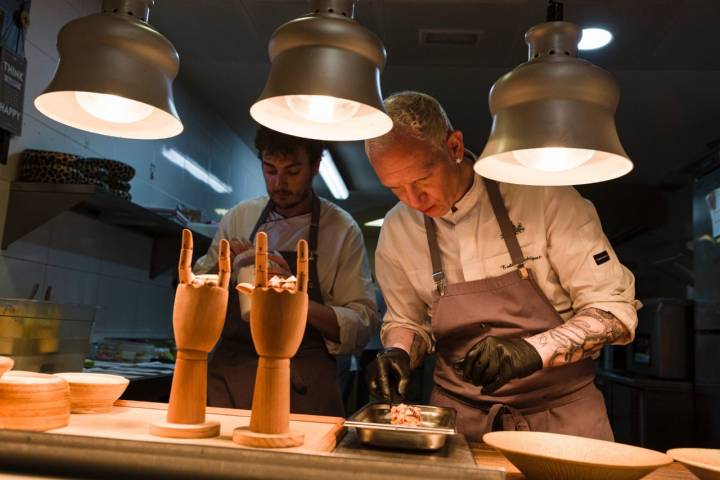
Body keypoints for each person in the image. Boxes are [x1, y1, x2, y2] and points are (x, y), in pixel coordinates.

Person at [364, 91, 640, 441]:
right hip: (461, 423)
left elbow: (614, 312)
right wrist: (398, 352)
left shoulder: (543, 197)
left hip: (564, 420)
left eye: (422, 180)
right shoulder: (398, 228)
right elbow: (407, 319)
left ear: (454, 146)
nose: (413, 201)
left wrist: (530, 351)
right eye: (395, 189)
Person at [194, 126, 378, 417]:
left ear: (315, 166)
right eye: (270, 170)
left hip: (301, 382)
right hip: (231, 376)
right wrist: (221, 270)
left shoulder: (341, 229)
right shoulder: (240, 217)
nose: (279, 183)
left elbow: (363, 323)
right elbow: (197, 294)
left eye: (292, 171)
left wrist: (294, 302)